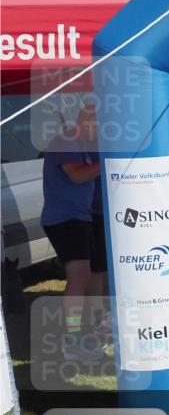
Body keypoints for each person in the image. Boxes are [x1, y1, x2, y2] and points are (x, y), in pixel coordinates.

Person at [41, 103, 104, 361]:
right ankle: (73, 340)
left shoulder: (82, 144)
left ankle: (83, 334)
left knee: (85, 276)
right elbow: (77, 176)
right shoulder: (67, 142)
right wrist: (108, 162)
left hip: (79, 217)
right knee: (78, 277)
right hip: (64, 219)